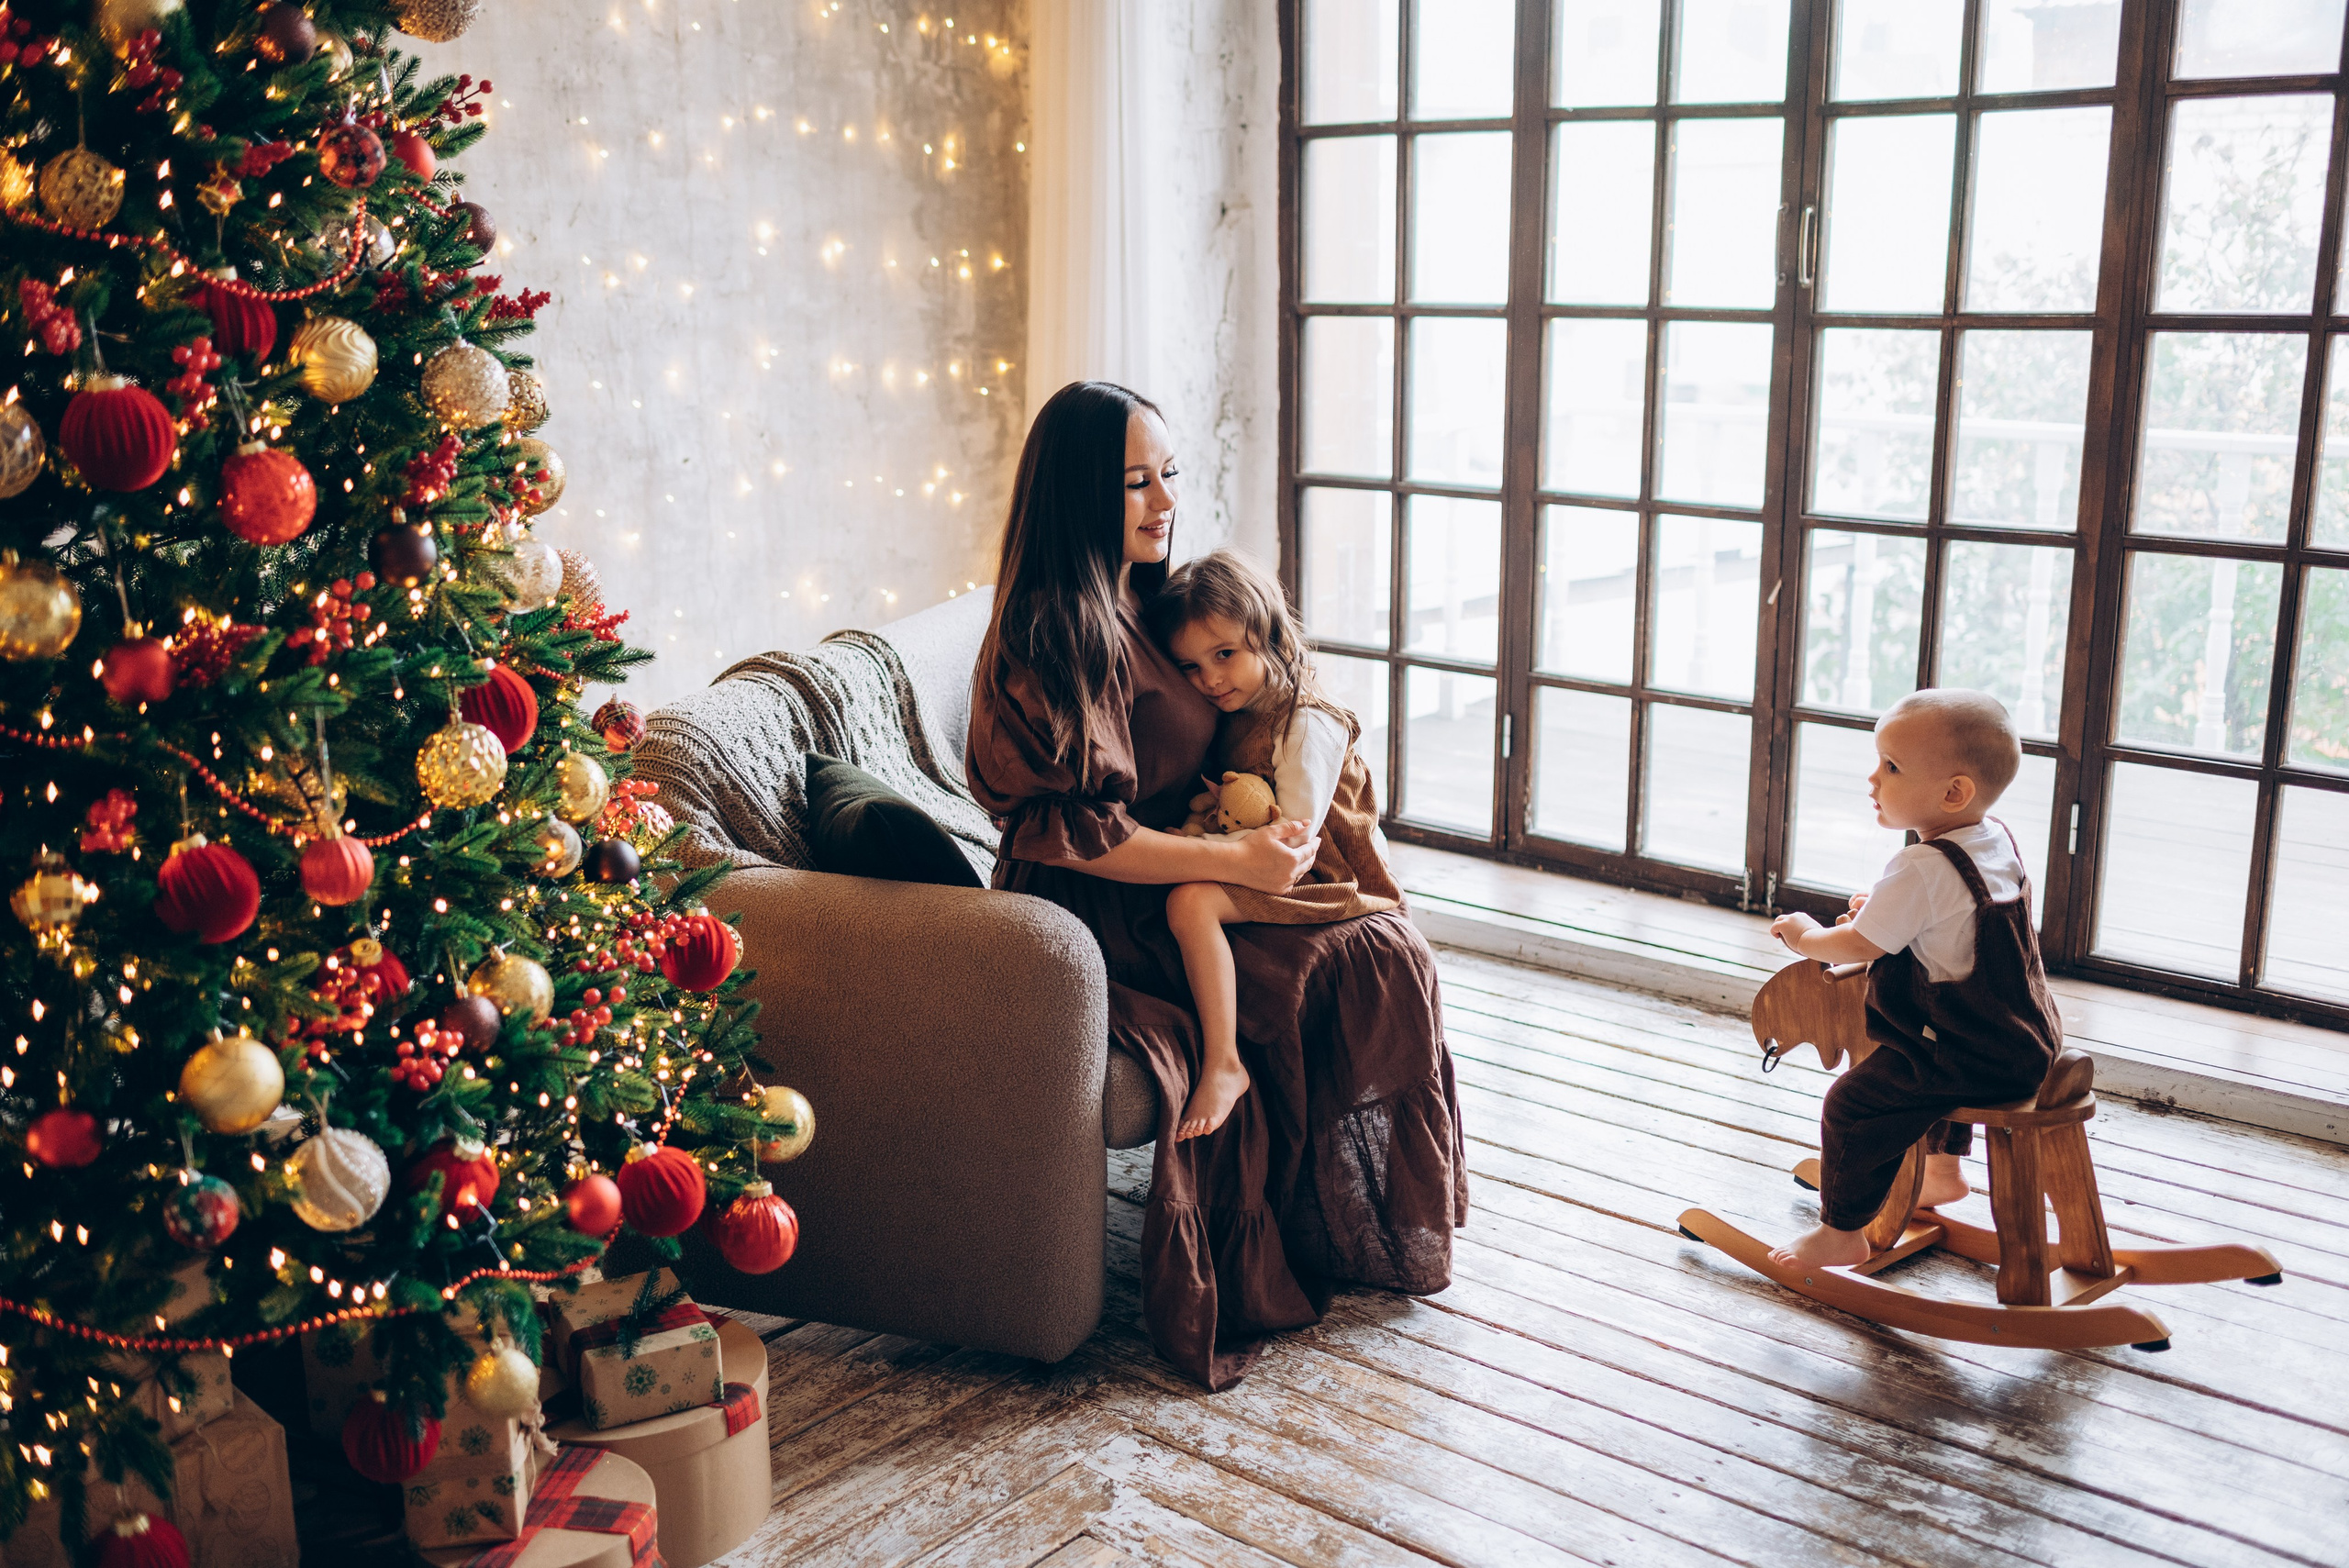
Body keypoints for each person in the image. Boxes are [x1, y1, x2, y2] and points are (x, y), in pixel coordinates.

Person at [964, 382, 1466, 1389]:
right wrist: (1231, 862)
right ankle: (1273, 1234)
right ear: (1075, 495)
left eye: (1170, 472)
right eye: (1134, 482)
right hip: (1101, 902)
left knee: (1376, 944)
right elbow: (1070, 833)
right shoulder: (1052, 633)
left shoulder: (1147, 595)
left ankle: (1335, 1216)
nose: (1163, 499)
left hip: (1177, 864)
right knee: (1329, 960)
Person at [1765, 688, 2063, 1270]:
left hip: (1966, 1053)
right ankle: (1943, 1174)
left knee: (1855, 1103)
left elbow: (1859, 944)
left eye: (1892, 767)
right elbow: (1951, 921)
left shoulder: (1920, 866)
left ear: (1954, 792)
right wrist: (1882, 906)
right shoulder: (1994, 840)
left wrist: (1804, 936)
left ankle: (1841, 1230)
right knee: (1921, 1067)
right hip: (2025, 1041)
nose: (1873, 779)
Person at [1141, 550, 1402, 1142]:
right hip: (1273, 860)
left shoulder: (1307, 722)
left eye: (1225, 655)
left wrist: (1202, 847)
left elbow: (1294, 833)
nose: (1209, 679)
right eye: (1189, 666)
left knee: (1190, 902)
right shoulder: (1231, 713)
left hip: (1324, 874)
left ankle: (1223, 1063)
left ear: (1271, 638)